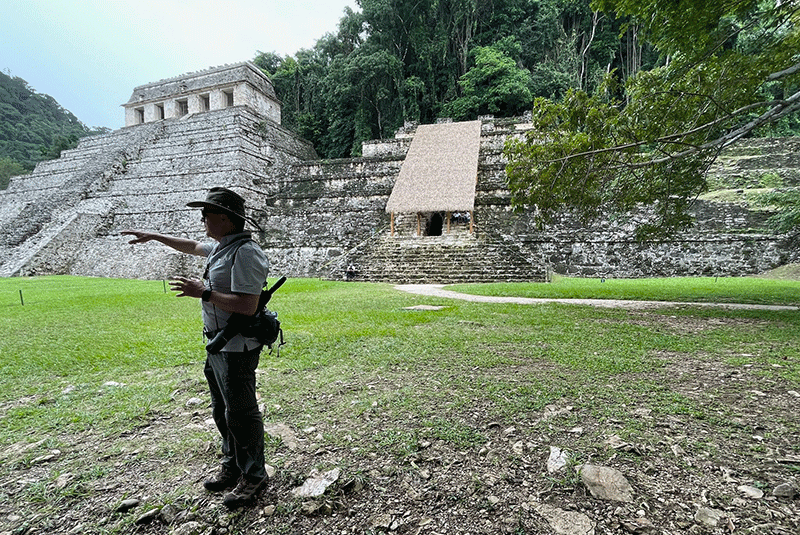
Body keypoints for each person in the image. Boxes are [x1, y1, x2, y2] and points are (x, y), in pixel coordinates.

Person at [122, 187, 270, 510]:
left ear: (226, 219)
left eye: (208, 213)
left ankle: (254, 476)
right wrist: (154, 236)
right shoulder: (221, 248)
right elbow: (190, 246)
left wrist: (204, 293)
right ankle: (233, 464)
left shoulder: (245, 253)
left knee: (241, 413)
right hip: (217, 344)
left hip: (236, 346)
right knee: (222, 410)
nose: (202, 218)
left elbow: (248, 305)